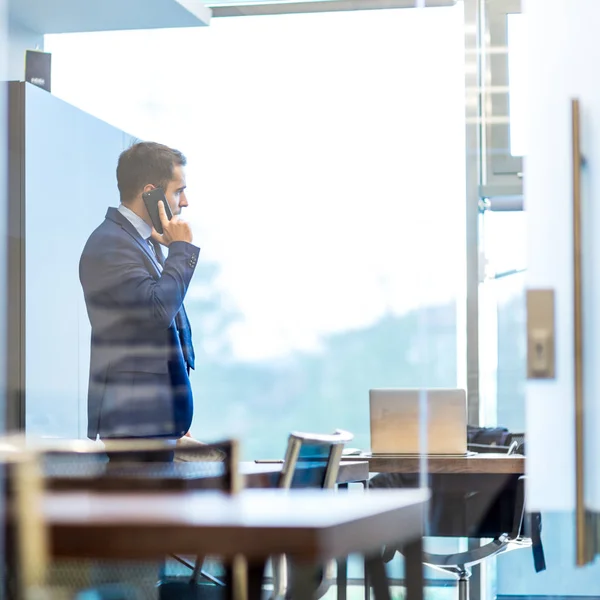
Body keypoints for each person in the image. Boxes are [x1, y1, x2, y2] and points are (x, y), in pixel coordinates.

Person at [79, 142, 199, 460]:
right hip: (137, 425)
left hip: (153, 423)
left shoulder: (140, 242)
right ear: (151, 192)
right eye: (179, 191)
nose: (185, 202)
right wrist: (182, 250)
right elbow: (157, 311)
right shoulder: (111, 244)